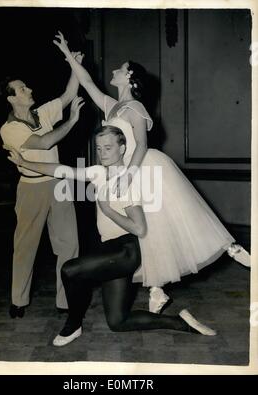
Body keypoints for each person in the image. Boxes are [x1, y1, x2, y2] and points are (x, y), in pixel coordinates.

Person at [52, 32, 251, 314]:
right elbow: (85, 82)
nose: (112, 71)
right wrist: (68, 55)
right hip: (123, 170)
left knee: (167, 222)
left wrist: (127, 176)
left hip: (142, 166)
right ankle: (156, 288)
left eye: (119, 69)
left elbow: (141, 144)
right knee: (148, 232)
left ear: (129, 76)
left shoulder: (135, 107)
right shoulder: (112, 106)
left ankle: (230, 247)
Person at [5, 125, 217, 346]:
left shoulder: (126, 182)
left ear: (122, 148)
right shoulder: (98, 172)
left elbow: (140, 229)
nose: (102, 152)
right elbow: (62, 170)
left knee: (70, 270)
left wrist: (107, 210)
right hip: (111, 250)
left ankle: (73, 325)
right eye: (99, 148)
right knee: (118, 321)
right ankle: (181, 323)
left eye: (108, 147)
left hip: (127, 250)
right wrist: (25, 163)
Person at [0, 52, 84, 318]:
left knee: (69, 244)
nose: (30, 90)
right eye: (23, 89)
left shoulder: (42, 112)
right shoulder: (9, 129)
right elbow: (44, 143)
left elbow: (69, 94)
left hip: (58, 183)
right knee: (26, 245)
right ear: (12, 98)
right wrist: (71, 121)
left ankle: (65, 301)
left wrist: (75, 65)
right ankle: (18, 299)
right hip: (31, 188)